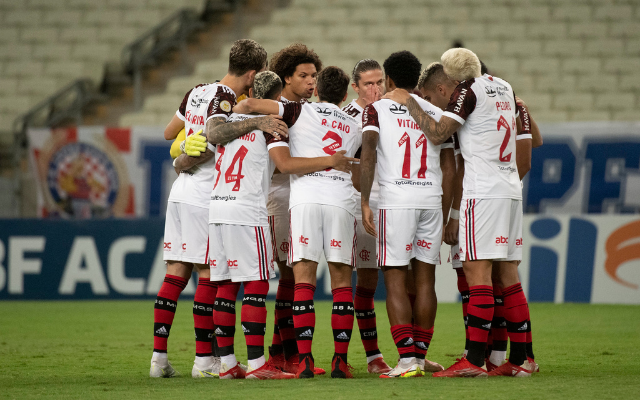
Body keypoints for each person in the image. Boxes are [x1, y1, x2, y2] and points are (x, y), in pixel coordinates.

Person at [384, 47, 535, 377]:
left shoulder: (467, 91)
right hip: (510, 188)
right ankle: (522, 360)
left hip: (482, 192)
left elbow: (438, 133)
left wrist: (408, 101)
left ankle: (475, 360)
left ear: (451, 79)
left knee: (476, 272)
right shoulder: (504, 86)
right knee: (508, 276)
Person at [206, 71, 356, 380]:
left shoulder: (230, 122)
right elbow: (284, 166)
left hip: (218, 204)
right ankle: (264, 366)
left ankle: (229, 363)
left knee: (226, 285)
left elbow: (212, 137)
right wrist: (331, 161)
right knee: (262, 284)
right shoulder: (280, 123)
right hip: (254, 208)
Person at [150, 39, 282, 379]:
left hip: (180, 191)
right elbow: (216, 137)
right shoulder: (226, 99)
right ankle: (204, 362)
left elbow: (169, 132)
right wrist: (189, 153)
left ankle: (159, 360)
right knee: (211, 277)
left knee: (176, 273)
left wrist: (181, 149)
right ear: (252, 74)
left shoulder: (196, 90)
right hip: (206, 194)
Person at [360, 51, 454, 378]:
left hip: (396, 199)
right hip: (430, 197)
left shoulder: (376, 109)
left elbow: (369, 152)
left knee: (396, 278)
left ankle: (405, 360)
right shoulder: (433, 110)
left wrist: (364, 201)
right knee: (426, 279)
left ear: (389, 80)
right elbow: (448, 164)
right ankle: (420, 355)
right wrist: (445, 211)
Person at [264, 44, 325, 375]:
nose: (310, 82)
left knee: (293, 275)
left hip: (301, 196)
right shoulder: (280, 111)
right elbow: (273, 164)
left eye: (314, 76)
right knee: (288, 275)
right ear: (286, 78)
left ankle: (284, 352)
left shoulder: (310, 111)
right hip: (278, 196)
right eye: (303, 76)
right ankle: (281, 352)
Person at [342, 59, 392, 375]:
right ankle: (372, 357)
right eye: (369, 84)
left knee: (403, 277)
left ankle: (412, 352)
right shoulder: (348, 117)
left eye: (379, 82)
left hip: (391, 201)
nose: (376, 89)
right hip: (357, 204)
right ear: (355, 87)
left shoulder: (391, 109)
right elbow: (345, 162)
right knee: (363, 280)